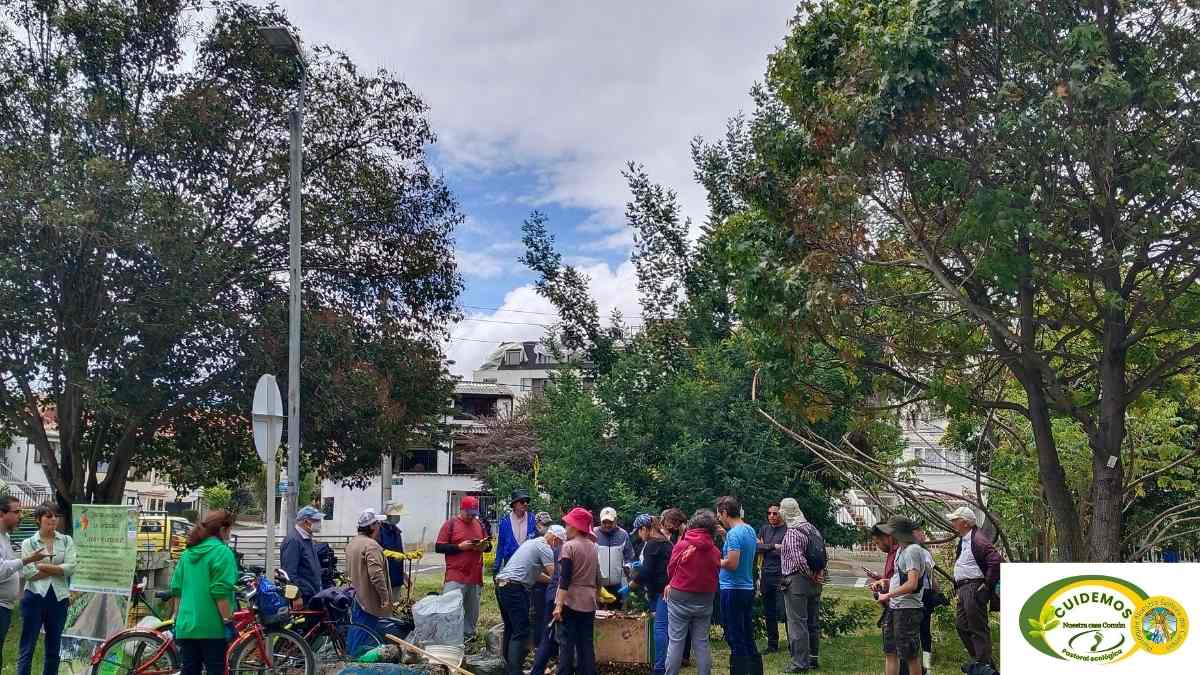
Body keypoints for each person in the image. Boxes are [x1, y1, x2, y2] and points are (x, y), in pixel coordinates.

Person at [169, 509, 238, 675]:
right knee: (216, 670)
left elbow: (177, 589)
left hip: (186, 625)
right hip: (212, 626)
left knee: (190, 670)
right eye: (230, 529)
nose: (230, 533)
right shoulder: (222, 552)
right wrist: (228, 622)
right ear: (222, 530)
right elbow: (220, 592)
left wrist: (176, 618)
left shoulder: (187, 553)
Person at [17, 503, 77, 675]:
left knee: (54, 647)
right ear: (38, 519)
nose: (53, 519)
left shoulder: (66, 540)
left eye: (55, 516)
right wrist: (58, 569)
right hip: (34, 598)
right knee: (27, 647)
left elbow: (71, 567)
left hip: (58, 599)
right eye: (48, 516)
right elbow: (29, 574)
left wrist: (43, 566)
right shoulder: (28, 542)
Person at [496, 524, 563, 675]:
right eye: (559, 543)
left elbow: (537, 575)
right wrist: (564, 586)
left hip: (503, 585)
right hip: (514, 588)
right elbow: (555, 575)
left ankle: (507, 668)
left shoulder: (531, 543)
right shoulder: (545, 547)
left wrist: (554, 581)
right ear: (555, 539)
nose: (558, 547)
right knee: (521, 631)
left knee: (511, 629)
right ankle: (515, 672)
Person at [664, 509, 721, 675]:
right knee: (701, 642)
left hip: (680, 595)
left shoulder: (681, 545)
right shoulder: (715, 551)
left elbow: (670, 570)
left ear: (692, 526)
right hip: (705, 597)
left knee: (675, 642)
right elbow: (716, 573)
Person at [946, 506, 1002, 670]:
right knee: (962, 625)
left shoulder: (978, 539)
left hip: (973, 587)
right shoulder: (965, 540)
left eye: (955, 520)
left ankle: (982, 665)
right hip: (964, 589)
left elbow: (996, 561)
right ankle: (983, 663)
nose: (952, 523)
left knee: (978, 628)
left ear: (964, 523)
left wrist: (986, 584)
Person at [0, 497, 49, 673]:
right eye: (16, 511)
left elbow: (13, 570)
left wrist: (36, 570)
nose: (20, 516)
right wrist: (27, 559)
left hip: (5, 607)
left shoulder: (5, 537)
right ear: (2, 514)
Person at [876, 516, 929, 675]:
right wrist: (885, 581)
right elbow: (901, 577)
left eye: (890, 532)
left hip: (907, 609)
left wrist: (888, 595)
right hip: (896, 607)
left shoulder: (913, 550)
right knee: (890, 651)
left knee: (910, 655)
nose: (888, 536)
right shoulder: (901, 550)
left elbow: (912, 583)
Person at [715, 496, 761, 675]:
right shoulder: (748, 529)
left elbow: (732, 563)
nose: (719, 518)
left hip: (732, 589)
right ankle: (756, 670)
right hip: (746, 588)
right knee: (747, 633)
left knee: (735, 636)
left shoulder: (734, 534)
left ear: (725, 513)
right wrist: (725, 536)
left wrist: (715, 561)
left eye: (719, 514)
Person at [435, 495, 491, 641]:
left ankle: (468, 637)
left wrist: (485, 547)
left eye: (474, 514)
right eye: (469, 514)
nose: (471, 517)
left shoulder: (479, 525)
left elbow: (488, 544)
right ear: (462, 509)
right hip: (456, 574)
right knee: (450, 608)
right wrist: (459, 547)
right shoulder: (451, 524)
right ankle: (448, 638)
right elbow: (439, 547)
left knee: (472, 610)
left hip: (475, 575)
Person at [778, 498, 824, 673]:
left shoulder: (792, 532)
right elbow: (822, 553)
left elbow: (798, 561)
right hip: (815, 581)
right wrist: (818, 573)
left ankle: (799, 662)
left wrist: (810, 576)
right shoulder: (811, 528)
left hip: (797, 581)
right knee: (813, 622)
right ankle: (813, 658)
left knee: (797, 623)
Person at [554, 507, 600, 675]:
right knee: (586, 643)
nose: (566, 528)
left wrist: (558, 605)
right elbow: (598, 577)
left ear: (575, 526)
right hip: (589, 601)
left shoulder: (568, 547)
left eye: (567, 525)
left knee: (567, 643)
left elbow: (564, 579)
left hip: (571, 600)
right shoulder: (594, 547)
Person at [345, 508, 393, 654]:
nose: (380, 527)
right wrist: (385, 597)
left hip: (355, 596)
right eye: (378, 523)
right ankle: (355, 663)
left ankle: (350, 657)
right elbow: (376, 574)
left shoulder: (353, 543)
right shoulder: (371, 546)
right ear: (372, 526)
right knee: (364, 635)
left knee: (356, 631)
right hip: (368, 599)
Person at [756, 503, 788, 654]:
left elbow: (786, 549)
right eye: (769, 513)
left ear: (781, 514)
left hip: (781, 575)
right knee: (769, 612)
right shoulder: (764, 529)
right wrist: (773, 546)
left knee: (785, 611)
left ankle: (792, 643)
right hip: (766, 574)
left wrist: (766, 546)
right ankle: (772, 644)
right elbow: (756, 547)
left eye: (775, 513)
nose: (772, 516)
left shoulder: (787, 530)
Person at [280, 505, 325, 605]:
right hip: (303, 596)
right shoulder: (294, 541)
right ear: (306, 522)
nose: (319, 523)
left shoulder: (306, 538)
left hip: (312, 592)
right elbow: (289, 572)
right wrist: (296, 596)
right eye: (316, 520)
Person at [593, 507, 634, 606]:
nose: (607, 525)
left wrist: (628, 567)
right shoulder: (593, 533)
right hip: (598, 585)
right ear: (600, 521)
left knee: (616, 616)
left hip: (617, 584)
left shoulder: (623, 535)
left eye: (610, 522)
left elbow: (629, 556)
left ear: (615, 520)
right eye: (604, 522)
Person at [913, 524, 938, 674]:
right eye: (919, 531)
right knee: (916, 630)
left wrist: (936, 591)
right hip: (915, 594)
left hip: (925, 594)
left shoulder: (925, 552)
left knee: (924, 630)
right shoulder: (912, 552)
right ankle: (916, 664)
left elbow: (931, 575)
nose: (923, 534)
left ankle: (926, 665)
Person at [495, 490, 538, 574]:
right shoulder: (505, 522)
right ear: (514, 504)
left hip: (529, 564)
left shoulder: (533, 519)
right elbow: (501, 546)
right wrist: (496, 567)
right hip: (510, 564)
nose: (525, 504)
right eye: (522, 502)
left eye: (527, 502)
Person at [377, 502, 409, 592]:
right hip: (383, 580)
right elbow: (376, 552)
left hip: (396, 579)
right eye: (395, 514)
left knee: (395, 604)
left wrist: (403, 574)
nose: (397, 517)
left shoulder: (397, 532)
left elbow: (399, 555)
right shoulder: (378, 532)